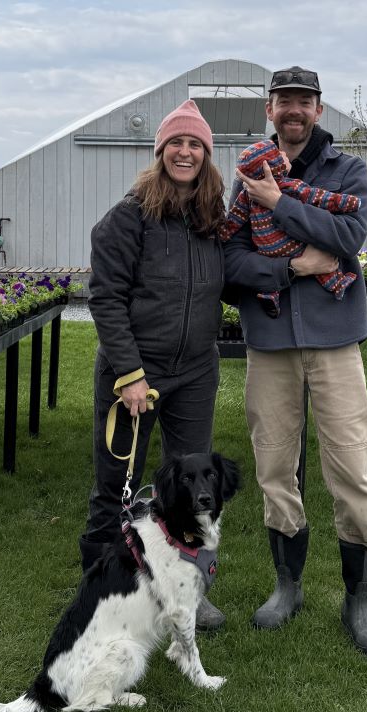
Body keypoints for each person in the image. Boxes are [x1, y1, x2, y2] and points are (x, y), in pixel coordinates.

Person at [223, 66, 367, 656]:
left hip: (336, 341)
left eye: (304, 101)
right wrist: (292, 266)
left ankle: (359, 598)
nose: (293, 110)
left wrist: (277, 201)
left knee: (350, 468)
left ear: (318, 110)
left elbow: (349, 237)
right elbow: (231, 261)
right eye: (283, 101)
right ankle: (287, 584)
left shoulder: (348, 171)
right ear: (269, 110)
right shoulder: (245, 174)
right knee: (274, 467)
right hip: (270, 343)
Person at [80, 99, 228, 631]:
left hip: (194, 372)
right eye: (176, 144)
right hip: (134, 374)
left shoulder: (214, 220)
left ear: (206, 156)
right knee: (115, 485)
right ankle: (101, 587)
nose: (185, 152)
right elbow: (106, 297)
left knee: (193, 488)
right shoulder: (129, 217)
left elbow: (234, 278)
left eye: (195, 145)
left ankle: (190, 588)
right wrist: (131, 373)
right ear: (160, 151)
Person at [220, 139, 360, 317]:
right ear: (271, 166)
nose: (284, 155)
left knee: (275, 279)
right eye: (279, 155)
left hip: (265, 249)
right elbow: (318, 197)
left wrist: (223, 233)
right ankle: (337, 283)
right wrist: (347, 202)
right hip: (291, 247)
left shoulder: (247, 195)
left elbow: (234, 219)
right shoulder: (288, 185)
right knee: (324, 267)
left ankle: (269, 293)